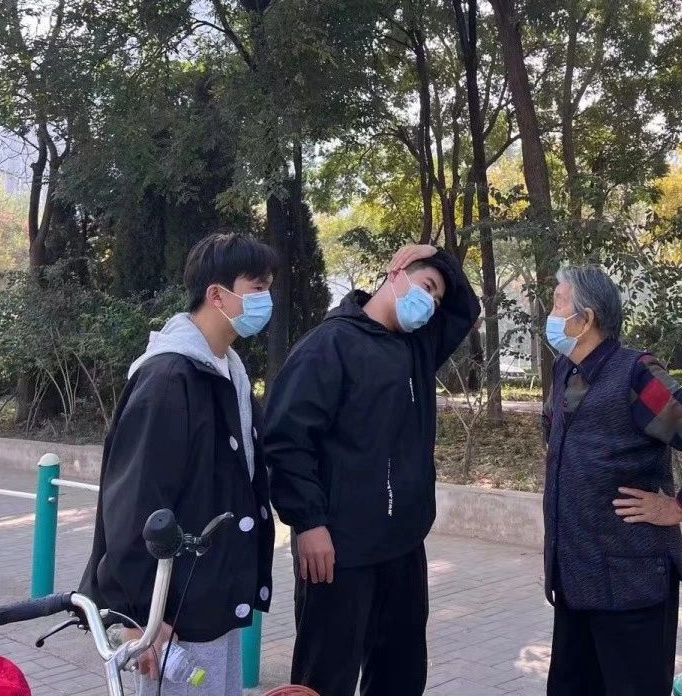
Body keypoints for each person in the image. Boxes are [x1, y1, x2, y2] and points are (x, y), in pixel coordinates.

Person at [264, 243, 481, 696]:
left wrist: (437, 254)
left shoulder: (418, 348)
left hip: (403, 546)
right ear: (396, 273)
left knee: (401, 675)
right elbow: (286, 441)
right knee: (326, 678)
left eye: (436, 298)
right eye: (426, 286)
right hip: (338, 552)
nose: (430, 303)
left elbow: (466, 308)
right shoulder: (328, 345)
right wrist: (308, 523)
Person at [80, 233, 279, 696]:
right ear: (217, 295)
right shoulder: (169, 377)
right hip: (173, 613)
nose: (266, 299)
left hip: (213, 595)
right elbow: (134, 500)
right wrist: (137, 615)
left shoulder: (228, 370)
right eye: (257, 287)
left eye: (268, 287)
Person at [541, 265, 682, 696]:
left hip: (630, 580)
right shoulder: (564, 370)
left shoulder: (636, 374)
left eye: (558, 304)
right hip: (574, 574)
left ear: (586, 319)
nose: (550, 314)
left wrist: (681, 507)